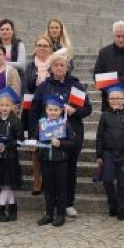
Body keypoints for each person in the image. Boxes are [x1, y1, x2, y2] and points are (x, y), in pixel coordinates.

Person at [30, 52, 92, 218]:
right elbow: (35, 109)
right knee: (49, 171)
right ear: (50, 68)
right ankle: (51, 205)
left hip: (71, 134)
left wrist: (75, 111)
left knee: (70, 169)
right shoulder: (44, 86)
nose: (59, 68)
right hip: (48, 134)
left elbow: (88, 109)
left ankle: (68, 203)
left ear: (67, 67)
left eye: (62, 65)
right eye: (56, 65)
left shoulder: (76, 86)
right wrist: (34, 132)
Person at [95, 84, 124, 221]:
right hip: (108, 154)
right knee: (107, 179)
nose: (115, 101)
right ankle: (112, 203)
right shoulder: (105, 115)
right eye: (112, 98)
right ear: (108, 100)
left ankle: (121, 208)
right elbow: (100, 136)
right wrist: (99, 154)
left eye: (119, 98)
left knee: (123, 182)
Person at [36, 95, 77, 227]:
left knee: (61, 188)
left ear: (60, 111)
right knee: (48, 189)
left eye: (55, 110)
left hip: (61, 161)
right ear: (46, 110)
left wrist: (61, 144)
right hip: (46, 160)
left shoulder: (65, 124)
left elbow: (72, 143)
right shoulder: (42, 124)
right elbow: (37, 138)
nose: (52, 112)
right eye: (50, 110)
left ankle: (60, 215)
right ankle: (49, 214)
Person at [22, 34, 55, 195]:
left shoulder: (54, 65)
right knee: (35, 146)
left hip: (51, 109)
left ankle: (49, 179)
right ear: (35, 47)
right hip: (34, 108)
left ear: (51, 49)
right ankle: (37, 179)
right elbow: (25, 86)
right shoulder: (30, 66)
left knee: (50, 144)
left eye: (45, 46)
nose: (42, 48)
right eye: (39, 45)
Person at [0, 87, 24, 222]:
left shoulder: (16, 121)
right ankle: (13, 209)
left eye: (7, 105)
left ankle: (1, 209)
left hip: (10, 157)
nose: (4, 107)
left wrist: (7, 145)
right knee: (5, 185)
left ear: (12, 106)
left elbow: (19, 140)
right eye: (2, 105)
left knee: (6, 185)